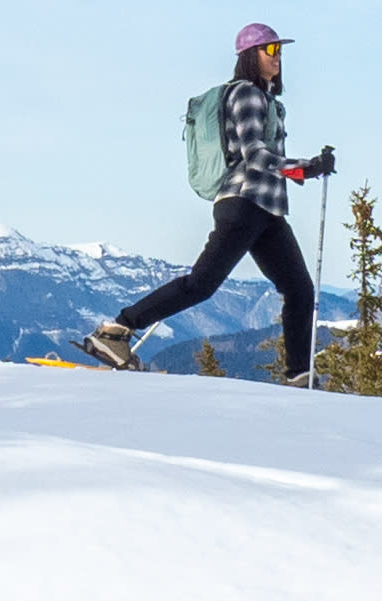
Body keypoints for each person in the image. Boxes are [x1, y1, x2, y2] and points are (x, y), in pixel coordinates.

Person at [85, 23, 333, 377]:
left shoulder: (268, 100)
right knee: (202, 284)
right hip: (244, 205)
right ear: (251, 55)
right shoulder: (247, 94)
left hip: (266, 211)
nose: (279, 58)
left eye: (280, 51)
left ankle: (299, 374)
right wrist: (306, 168)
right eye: (272, 50)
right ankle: (117, 330)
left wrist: (308, 168)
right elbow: (255, 155)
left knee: (299, 290)